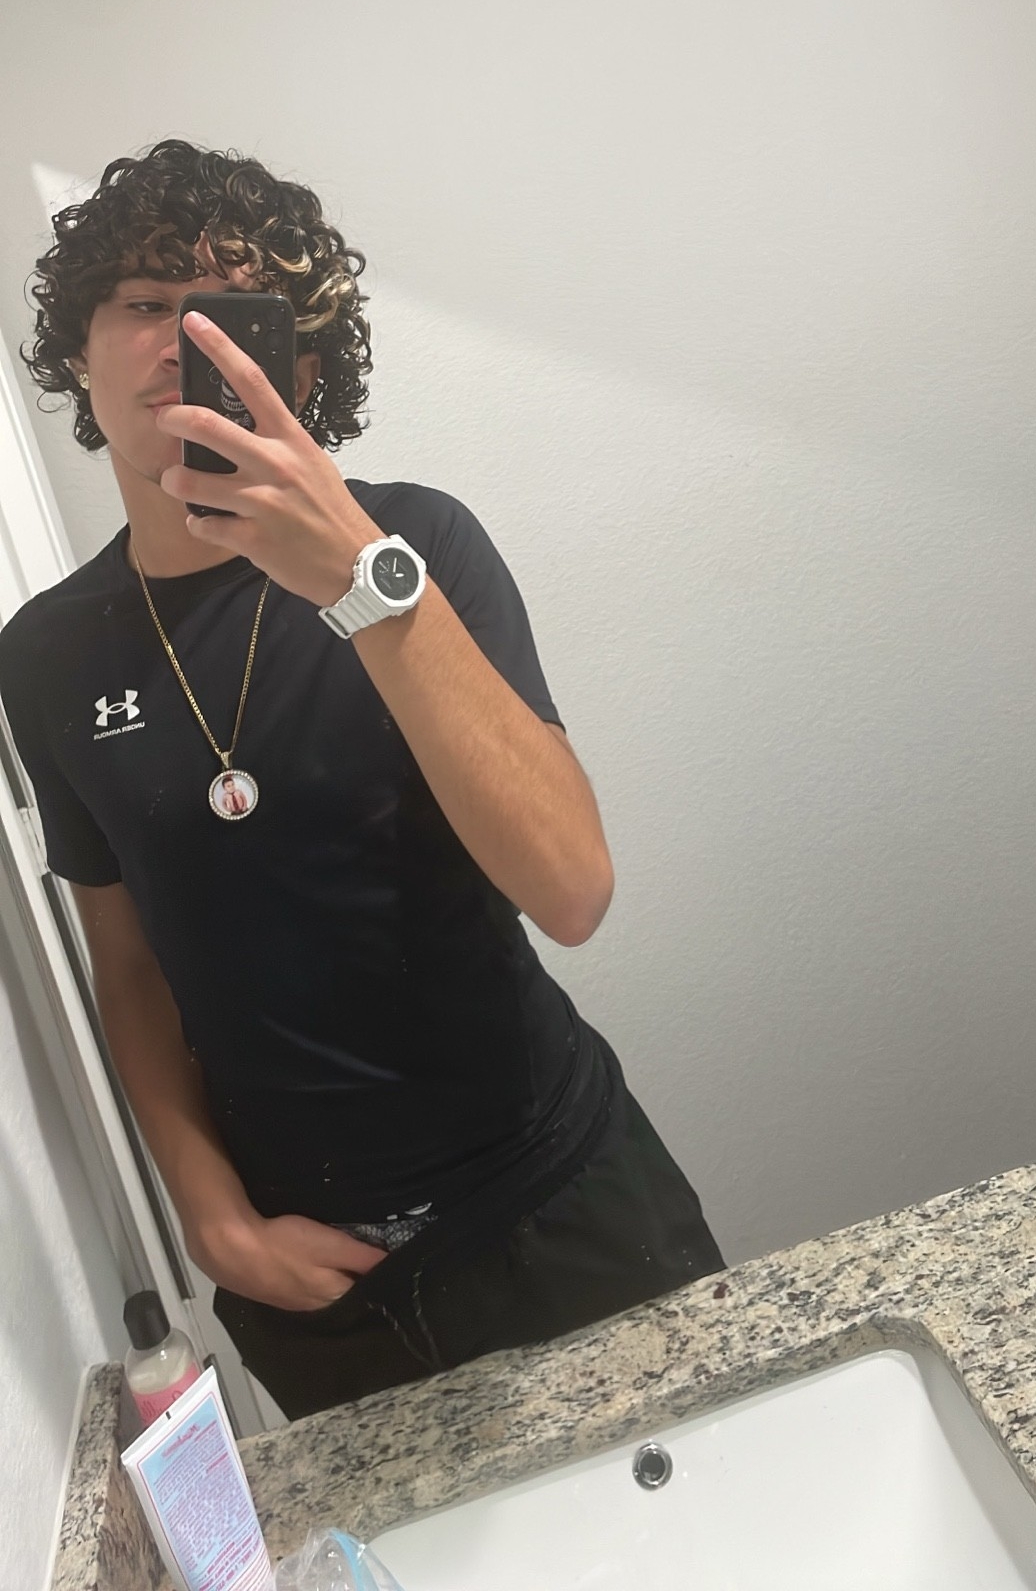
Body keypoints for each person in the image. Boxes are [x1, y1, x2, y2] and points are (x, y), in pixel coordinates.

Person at [0, 139, 723, 1421]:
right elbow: (128, 966)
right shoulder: (46, 656)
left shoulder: (416, 543)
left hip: (563, 1205)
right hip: (314, 1290)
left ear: (299, 369)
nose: (184, 339)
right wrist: (209, 1218)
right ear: (79, 355)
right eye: (146, 302)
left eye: (233, 313)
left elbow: (571, 890)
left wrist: (363, 583)